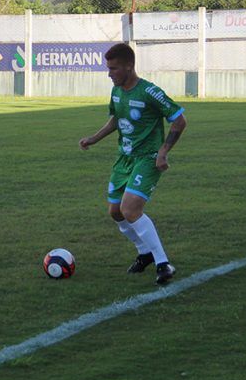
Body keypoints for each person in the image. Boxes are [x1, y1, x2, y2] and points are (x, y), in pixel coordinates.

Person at [79, 43, 187, 285]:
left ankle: (163, 263)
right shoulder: (116, 92)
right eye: (108, 68)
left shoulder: (150, 92)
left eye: (114, 68)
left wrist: (163, 151)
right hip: (124, 159)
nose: (109, 73)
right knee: (115, 212)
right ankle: (144, 252)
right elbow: (115, 121)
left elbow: (179, 121)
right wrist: (92, 139)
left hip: (147, 158)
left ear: (129, 66)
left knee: (130, 210)